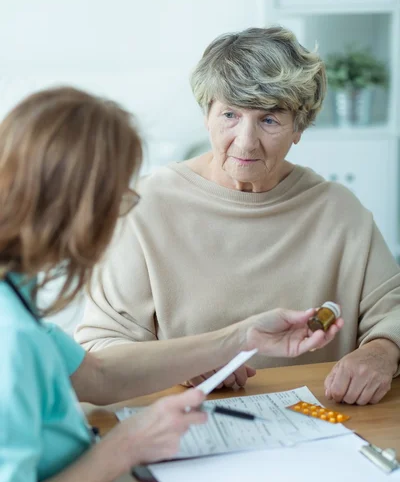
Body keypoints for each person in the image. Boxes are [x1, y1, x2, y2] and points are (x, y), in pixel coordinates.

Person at [0, 87, 342, 482]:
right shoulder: (10, 342)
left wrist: (240, 337)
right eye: (118, 197)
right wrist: (123, 448)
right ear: (76, 206)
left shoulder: (14, 291)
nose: (122, 213)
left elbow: (98, 375)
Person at [76, 25, 400, 406]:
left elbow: (391, 312)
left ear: (299, 127)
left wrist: (380, 352)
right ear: (206, 115)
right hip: (184, 427)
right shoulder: (145, 208)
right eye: (230, 114)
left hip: (319, 426)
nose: (245, 142)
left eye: (269, 120)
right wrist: (184, 363)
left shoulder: (340, 212)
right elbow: (100, 350)